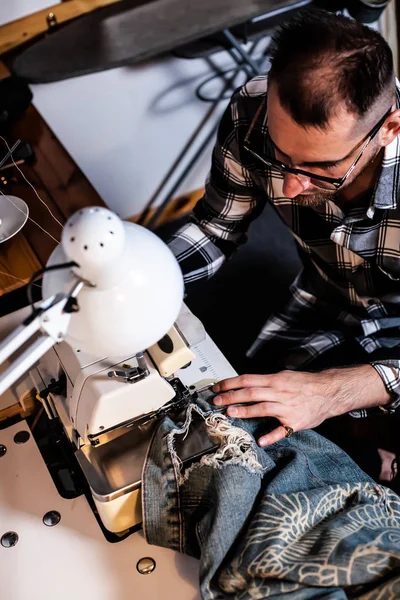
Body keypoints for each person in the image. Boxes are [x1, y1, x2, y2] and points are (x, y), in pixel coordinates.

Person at [168, 9, 400, 485]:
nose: (290, 187)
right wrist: (145, 288)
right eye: (279, 153)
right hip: (326, 297)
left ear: (389, 129)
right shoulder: (252, 114)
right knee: (241, 426)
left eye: (319, 168)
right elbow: (215, 228)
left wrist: (333, 392)